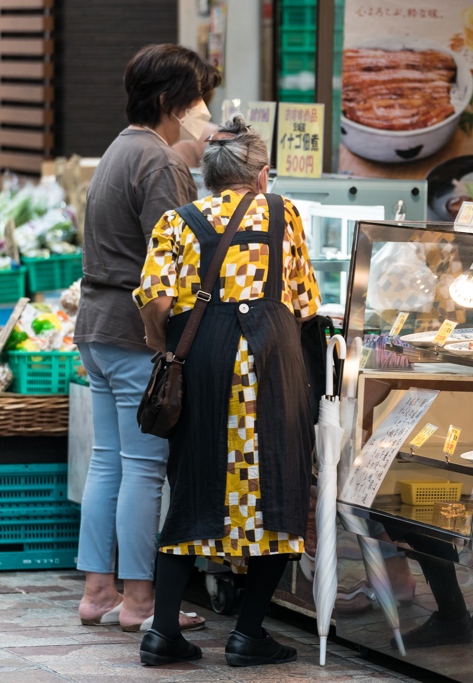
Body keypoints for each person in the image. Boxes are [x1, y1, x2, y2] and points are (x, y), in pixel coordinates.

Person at [134, 116, 321, 667]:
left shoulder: (177, 220)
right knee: (278, 486)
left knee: (193, 484)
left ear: (208, 175)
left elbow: (155, 301)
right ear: (262, 175)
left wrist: (165, 347)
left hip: (204, 357)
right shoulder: (283, 214)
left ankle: (161, 633)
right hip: (271, 357)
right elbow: (305, 301)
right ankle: (246, 634)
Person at [74, 43, 219, 633]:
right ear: (170, 102)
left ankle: (97, 591)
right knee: (142, 467)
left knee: (108, 462)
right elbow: (177, 262)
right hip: (137, 333)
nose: (203, 114)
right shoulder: (160, 162)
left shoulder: (118, 147)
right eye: (197, 102)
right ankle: (139, 602)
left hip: (97, 327)